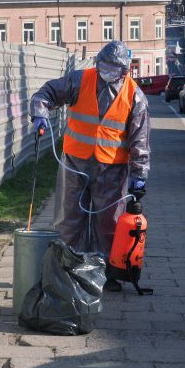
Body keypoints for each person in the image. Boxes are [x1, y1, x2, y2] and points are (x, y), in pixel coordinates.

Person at [30, 41, 151, 292]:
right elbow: (47, 94)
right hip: (75, 163)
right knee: (70, 219)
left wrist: (139, 175)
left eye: (113, 68)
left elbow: (140, 140)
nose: (106, 71)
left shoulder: (134, 95)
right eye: (103, 66)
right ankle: (67, 269)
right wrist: (39, 114)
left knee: (108, 223)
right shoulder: (79, 80)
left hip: (112, 169)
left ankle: (105, 272)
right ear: (97, 63)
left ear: (125, 70)